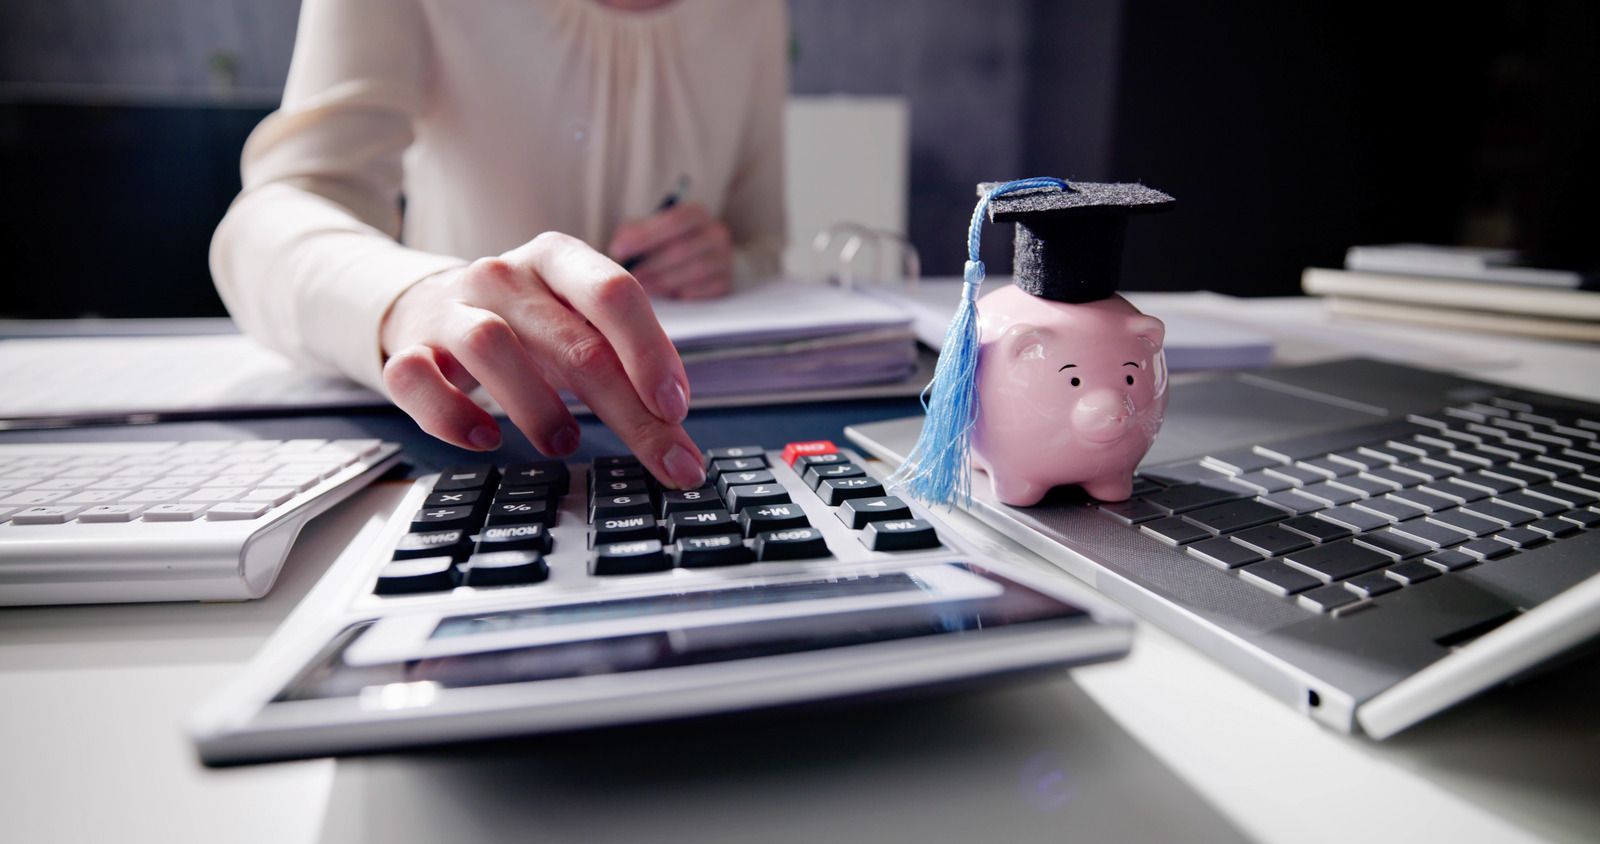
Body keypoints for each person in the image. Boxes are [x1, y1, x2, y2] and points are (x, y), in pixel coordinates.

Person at [210, 0, 789, 491]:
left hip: (718, 418)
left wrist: (722, 259)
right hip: (464, 432)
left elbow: (761, 241)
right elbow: (265, 223)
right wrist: (414, 297)